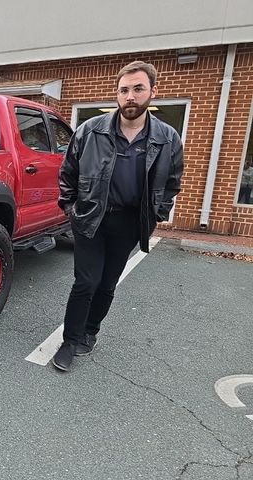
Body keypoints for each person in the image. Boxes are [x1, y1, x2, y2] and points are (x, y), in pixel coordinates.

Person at [52, 61, 184, 372]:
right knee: (86, 282)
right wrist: (71, 209)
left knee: (108, 284)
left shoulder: (167, 138)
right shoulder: (90, 130)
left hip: (129, 223)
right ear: (117, 94)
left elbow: (172, 182)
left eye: (138, 89)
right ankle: (70, 340)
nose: (130, 96)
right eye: (124, 90)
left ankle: (89, 333)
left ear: (152, 91)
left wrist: (156, 215)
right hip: (90, 218)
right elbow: (68, 173)